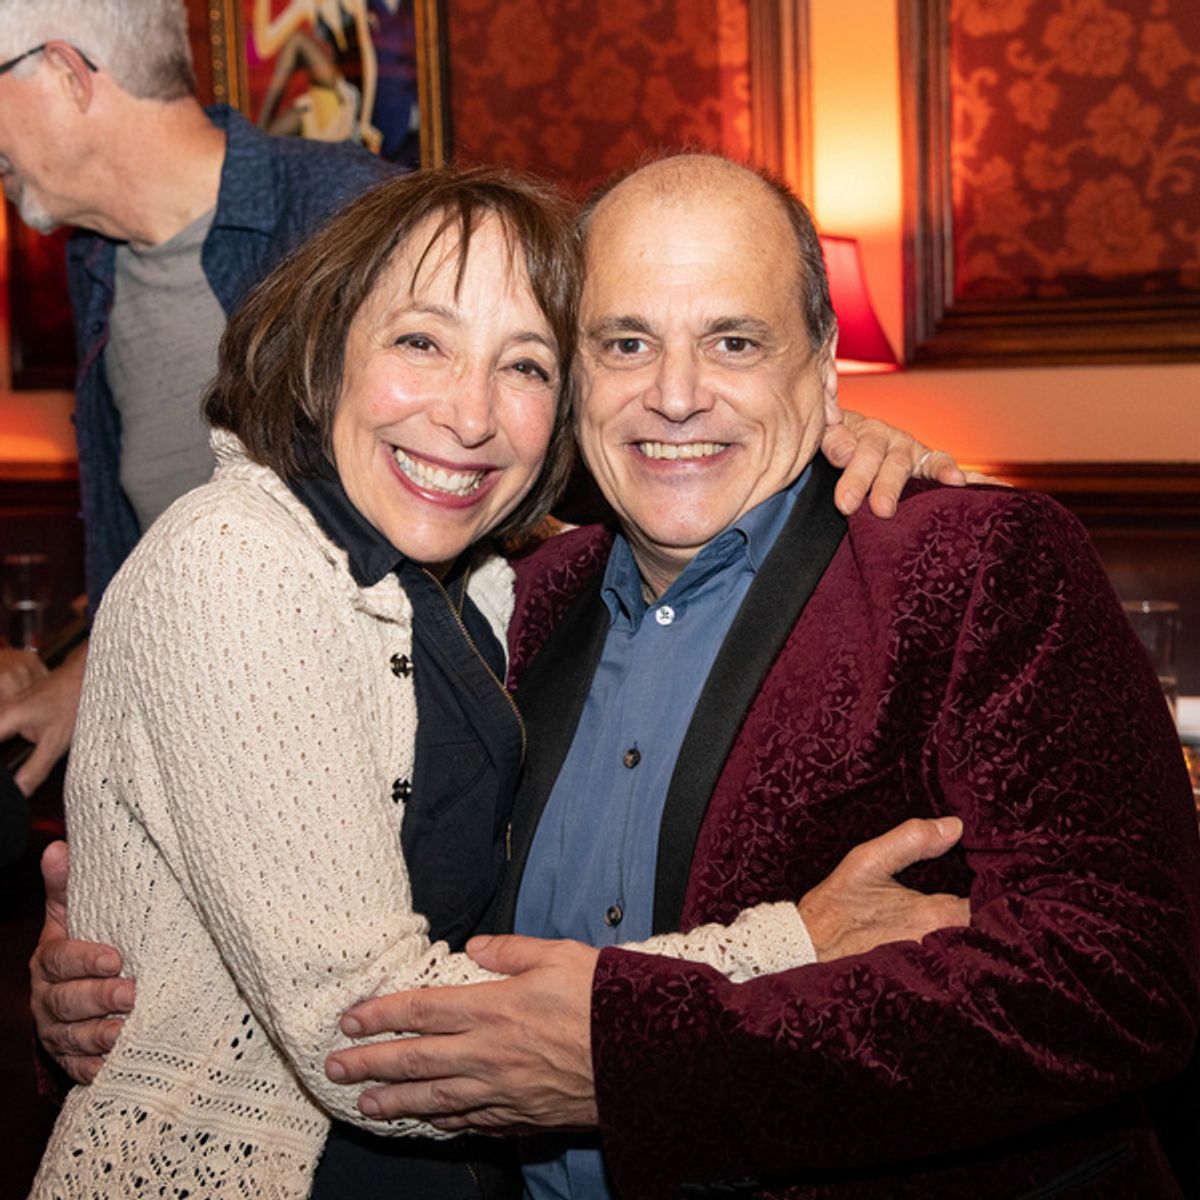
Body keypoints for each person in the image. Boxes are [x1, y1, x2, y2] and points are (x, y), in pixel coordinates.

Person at [27, 166, 972, 1200]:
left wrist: (843, 440)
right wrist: (791, 951)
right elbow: (365, 1031)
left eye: (523, 365)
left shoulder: (492, 582)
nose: (469, 415)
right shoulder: (238, 559)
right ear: (326, 346)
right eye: (420, 342)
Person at [298, 155, 1200, 1199]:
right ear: (572, 377)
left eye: (735, 342)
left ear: (822, 367)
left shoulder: (971, 566)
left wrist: (637, 1061)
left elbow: (1121, 976)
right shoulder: (511, 601)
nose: (676, 396)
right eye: (626, 343)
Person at [0, 0, 393, 796]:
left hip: (351, 780)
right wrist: (92, 668)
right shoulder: (96, 264)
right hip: (189, 769)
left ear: (67, 74)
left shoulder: (354, 221)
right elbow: (156, 561)